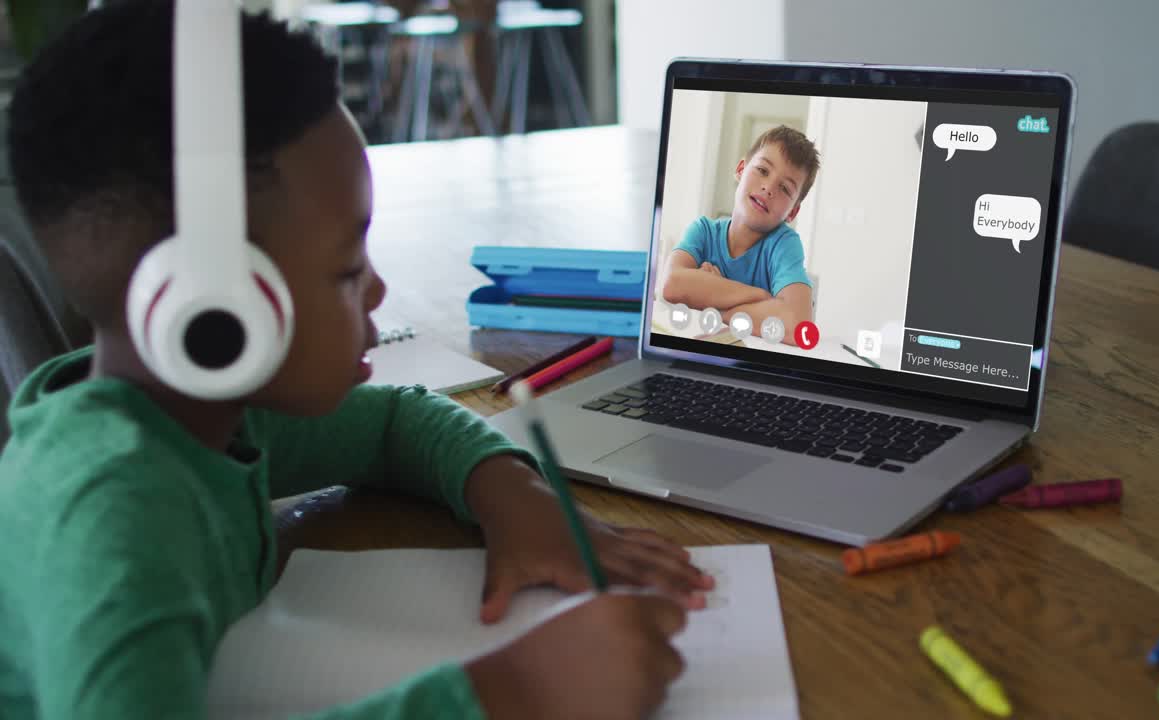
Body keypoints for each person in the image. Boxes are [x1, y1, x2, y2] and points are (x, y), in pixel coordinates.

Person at [0, 3, 711, 719]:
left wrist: (515, 499)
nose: (376, 288)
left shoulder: (204, 416)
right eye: (345, 271)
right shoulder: (113, 524)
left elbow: (392, 422)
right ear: (215, 313)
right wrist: (510, 694)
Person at [660, 125, 821, 345]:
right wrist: (763, 298)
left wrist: (711, 301)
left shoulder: (784, 244)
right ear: (741, 169)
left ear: (792, 212)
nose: (768, 188)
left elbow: (799, 325)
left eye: (784, 188)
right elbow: (671, 284)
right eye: (763, 170)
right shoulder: (703, 231)